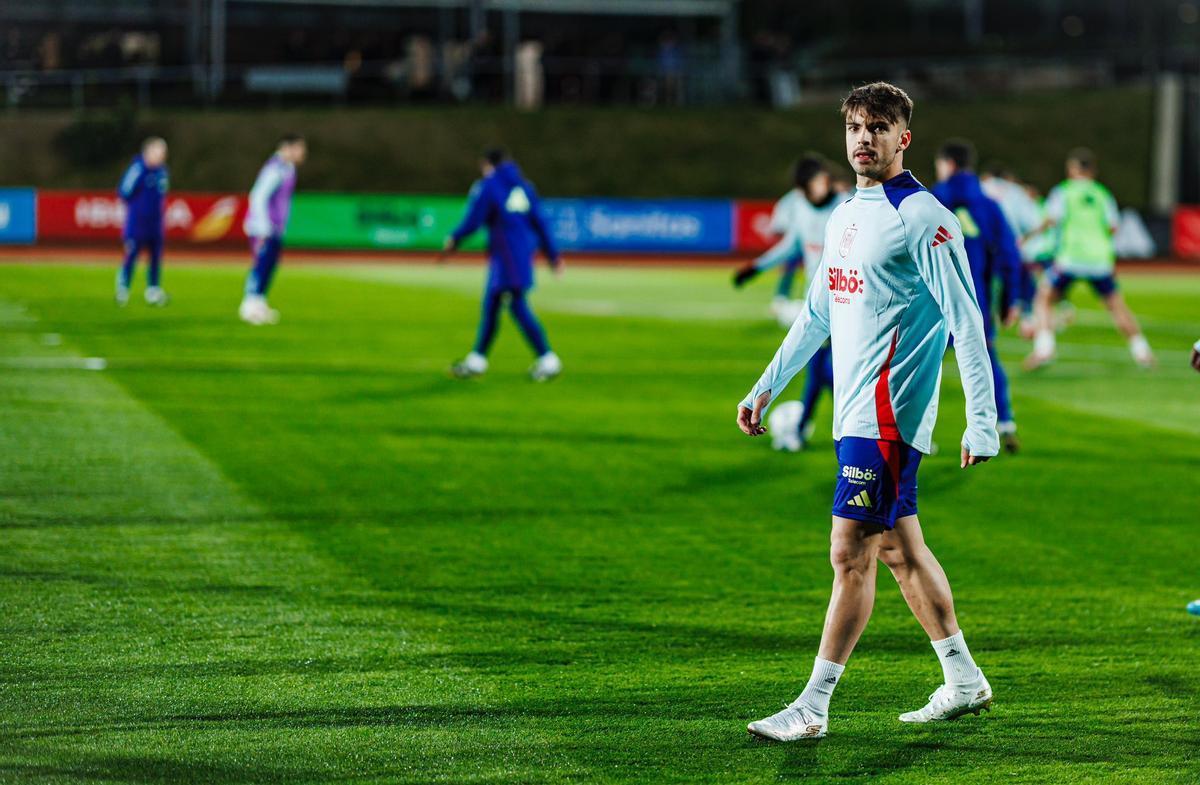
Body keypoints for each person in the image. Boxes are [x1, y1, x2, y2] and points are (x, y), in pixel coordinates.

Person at [737, 82, 999, 742]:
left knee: (847, 550)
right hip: (853, 413)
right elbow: (818, 313)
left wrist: (983, 419)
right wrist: (766, 385)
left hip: (888, 416)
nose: (863, 138)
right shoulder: (843, 215)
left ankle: (814, 704)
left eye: (878, 127)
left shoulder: (926, 217)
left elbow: (966, 321)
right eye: (855, 125)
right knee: (901, 553)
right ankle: (964, 678)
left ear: (902, 137)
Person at [735, 155, 848, 448]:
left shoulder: (849, 207)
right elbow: (791, 246)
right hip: (819, 304)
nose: (812, 190)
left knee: (831, 370)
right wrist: (756, 267)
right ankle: (810, 427)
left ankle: (819, 427)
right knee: (822, 368)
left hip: (850, 302)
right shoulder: (801, 210)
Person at [933, 140, 1025, 453]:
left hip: (933, 300)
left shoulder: (928, 200)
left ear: (947, 164)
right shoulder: (989, 205)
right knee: (985, 360)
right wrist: (1010, 300)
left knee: (921, 364)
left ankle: (911, 431)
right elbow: (1010, 256)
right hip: (976, 300)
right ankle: (1005, 423)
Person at [1024, 148, 1154, 370]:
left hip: (1071, 258)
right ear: (1092, 170)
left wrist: (1029, 237)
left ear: (1072, 169)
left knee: (1044, 298)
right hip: (1100, 260)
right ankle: (1142, 352)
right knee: (1116, 305)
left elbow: (1051, 220)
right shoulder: (1102, 193)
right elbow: (1113, 226)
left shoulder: (1063, 191)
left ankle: (1045, 349)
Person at [443, 148, 563, 382]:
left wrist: (455, 238)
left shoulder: (489, 186)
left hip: (505, 257)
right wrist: (553, 256)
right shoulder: (525, 187)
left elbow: (475, 219)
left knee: (517, 306)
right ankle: (477, 360)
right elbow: (541, 223)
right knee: (492, 305)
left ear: (487, 164)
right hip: (519, 255)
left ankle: (548, 359)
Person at [239, 134, 306, 325]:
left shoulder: (288, 169)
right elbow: (258, 197)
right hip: (263, 228)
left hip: (275, 228)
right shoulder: (274, 169)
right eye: (300, 149)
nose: (302, 153)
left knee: (270, 266)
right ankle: (248, 305)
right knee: (261, 265)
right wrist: (263, 226)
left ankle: (259, 303)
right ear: (288, 148)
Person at [116, 137, 169, 307]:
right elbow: (124, 192)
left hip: (155, 224)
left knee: (155, 257)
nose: (162, 155)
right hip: (137, 223)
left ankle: (153, 290)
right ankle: (123, 287)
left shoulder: (162, 172)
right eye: (159, 151)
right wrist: (138, 211)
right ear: (148, 152)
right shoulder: (138, 169)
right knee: (132, 255)